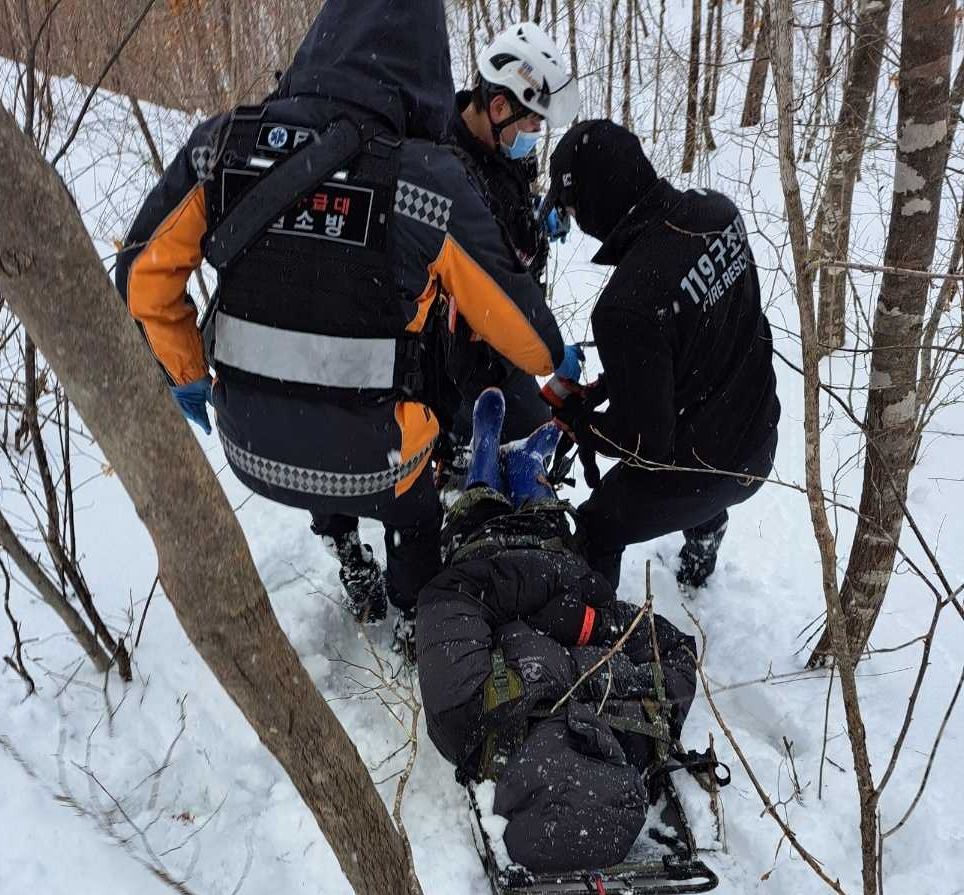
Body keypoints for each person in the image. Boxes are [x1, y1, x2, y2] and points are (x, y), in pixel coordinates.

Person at [115, 0, 567, 653]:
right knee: (412, 508)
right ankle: (411, 617)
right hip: (376, 459)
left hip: (247, 444)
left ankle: (344, 548)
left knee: (311, 414)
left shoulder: (223, 145)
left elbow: (141, 277)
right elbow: (528, 338)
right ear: (426, 70)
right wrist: (552, 351)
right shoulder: (427, 180)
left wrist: (186, 370)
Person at [417, 389, 698, 875]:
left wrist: (541, 603)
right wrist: (594, 622)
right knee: (545, 513)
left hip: (487, 557)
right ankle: (528, 467)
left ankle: (485, 453)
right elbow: (673, 648)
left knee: (480, 506)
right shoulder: (643, 730)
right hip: (560, 563)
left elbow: (451, 597)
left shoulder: (467, 720)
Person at [542, 120, 780, 589]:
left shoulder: (626, 306)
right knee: (700, 443)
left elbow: (645, 446)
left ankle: (598, 626)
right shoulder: (717, 212)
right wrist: (608, 387)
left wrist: (582, 424)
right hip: (758, 434)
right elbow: (692, 338)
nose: (575, 221)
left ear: (594, 200)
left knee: (596, 527)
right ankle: (705, 533)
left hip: (708, 470)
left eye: (571, 208)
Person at [441, 21, 580, 456]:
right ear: (499, 106)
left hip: (504, 342)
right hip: (467, 358)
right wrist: (548, 349)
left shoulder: (496, 143)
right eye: (533, 121)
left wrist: (535, 219)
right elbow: (492, 274)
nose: (535, 132)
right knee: (530, 448)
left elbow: (506, 199)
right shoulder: (448, 170)